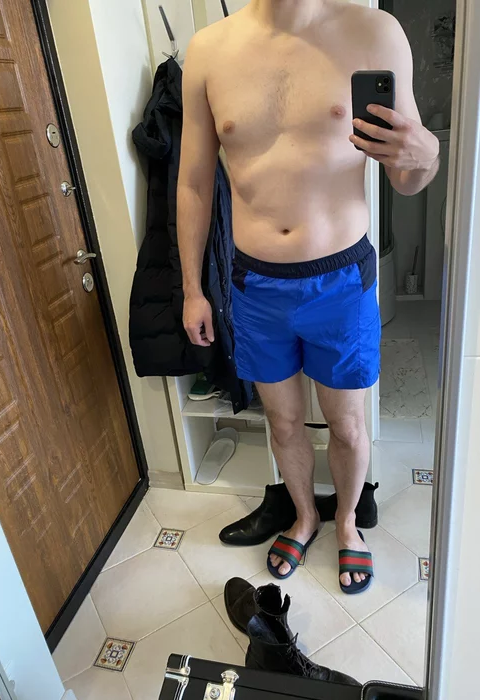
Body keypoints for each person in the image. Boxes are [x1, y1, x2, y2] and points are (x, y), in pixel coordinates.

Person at [178, 0, 439, 592]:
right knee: (283, 419)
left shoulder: (374, 31)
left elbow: (408, 176)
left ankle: (346, 523)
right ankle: (304, 517)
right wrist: (193, 288)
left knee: (346, 424)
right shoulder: (209, 51)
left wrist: (426, 157)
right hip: (255, 283)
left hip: (339, 280)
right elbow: (192, 182)